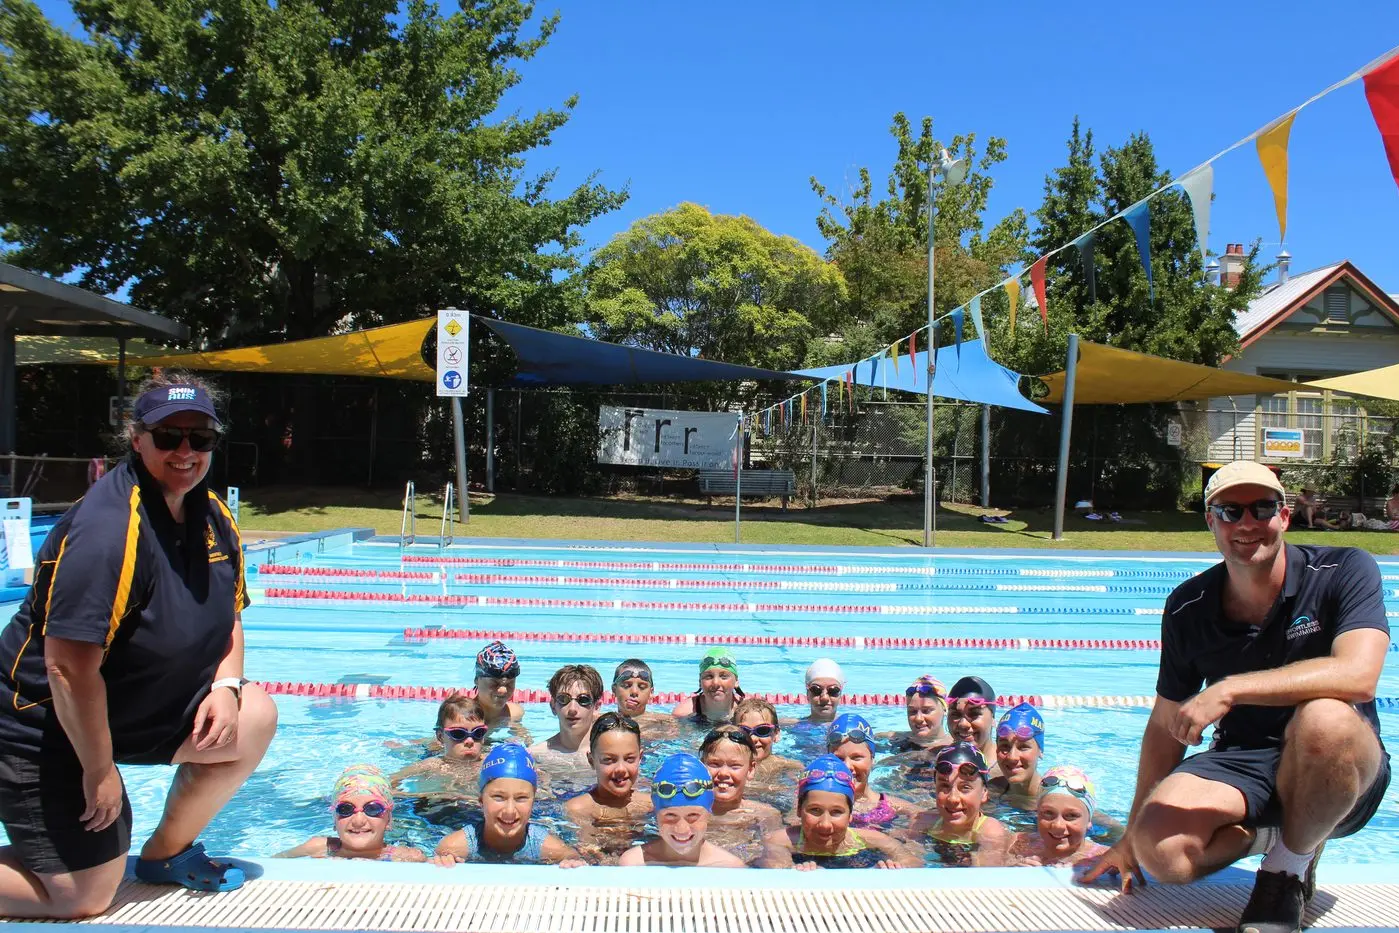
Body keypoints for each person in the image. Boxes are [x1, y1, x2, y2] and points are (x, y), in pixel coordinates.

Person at [0, 375, 279, 919]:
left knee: (254, 715)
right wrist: (100, 770)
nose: (185, 451)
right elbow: (65, 668)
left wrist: (225, 685)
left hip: (120, 709)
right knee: (84, 895)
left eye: (200, 438)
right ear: (137, 438)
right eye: (168, 435)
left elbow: (230, 615)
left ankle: (166, 855)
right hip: (43, 725)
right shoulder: (108, 532)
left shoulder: (213, 516)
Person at [1082, 461, 1390, 933]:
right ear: (1211, 521)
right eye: (1230, 511)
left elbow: (1358, 674)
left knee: (1324, 719)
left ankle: (1285, 869)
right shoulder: (1188, 606)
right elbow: (1166, 726)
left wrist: (1231, 687)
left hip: (1338, 767)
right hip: (1243, 761)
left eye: (1261, 508)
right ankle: (1276, 834)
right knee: (1162, 851)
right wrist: (1129, 834)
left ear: (1284, 517)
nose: (1246, 523)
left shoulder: (1343, 569)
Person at [435, 744, 584, 866]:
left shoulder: (549, 849)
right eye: (499, 797)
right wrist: (443, 864)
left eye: (521, 798)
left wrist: (571, 863)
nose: (509, 810)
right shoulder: (455, 847)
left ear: (533, 803)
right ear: (481, 801)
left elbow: (572, 857)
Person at [759, 755, 918, 869]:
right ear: (800, 810)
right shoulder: (780, 841)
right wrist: (795, 874)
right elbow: (776, 870)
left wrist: (888, 870)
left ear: (850, 815)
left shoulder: (874, 840)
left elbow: (915, 861)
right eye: (815, 810)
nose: (825, 824)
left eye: (836, 812)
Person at [277, 765, 427, 862]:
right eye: (345, 809)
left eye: (373, 809)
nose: (358, 820)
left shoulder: (405, 857)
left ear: (389, 820)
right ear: (334, 820)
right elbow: (273, 863)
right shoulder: (317, 848)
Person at [619, 753, 744, 868]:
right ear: (655, 812)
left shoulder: (730, 867)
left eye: (693, 816)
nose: (682, 829)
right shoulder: (633, 863)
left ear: (709, 811)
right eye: (670, 816)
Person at [564, 713, 651, 862]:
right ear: (591, 761)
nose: (621, 769)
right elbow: (587, 854)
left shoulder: (651, 805)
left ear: (640, 758)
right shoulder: (579, 809)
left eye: (630, 759)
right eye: (609, 760)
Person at [908, 743, 1010, 866]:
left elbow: (985, 880)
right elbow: (909, 864)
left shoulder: (990, 832)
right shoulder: (923, 822)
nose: (953, 799)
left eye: (965, 788)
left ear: (984, 793)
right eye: (944, 786)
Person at [698, 725, 782, 860]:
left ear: (750, 770)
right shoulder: (687, 811)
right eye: (715, 764)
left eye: (734, 766)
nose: (723, 773)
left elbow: (777, 859)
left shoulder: (765, 815)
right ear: (701, 766)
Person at [826, 714, 915, 829]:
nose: (847, 766)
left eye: (856, 757)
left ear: (872, 760)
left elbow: (923, 817)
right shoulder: (813, 803)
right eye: (839, 759)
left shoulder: (890, 805)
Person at [1008, 766, 1106, 868]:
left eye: (1071, 815)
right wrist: (1014, 871)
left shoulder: (1103, 858)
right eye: (1048, 813)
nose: (1058, 825)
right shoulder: (1020, 844)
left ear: (1089, 821)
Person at [391, 694, 488, 794]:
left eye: (478, 732)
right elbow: (389, 783)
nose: (470, 740)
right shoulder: (431, 766)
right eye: (458, 733)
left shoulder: (491, 762)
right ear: (441, 737)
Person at [528, 664, 603, 776]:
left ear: (596, 707)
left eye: (583, 700)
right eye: (563, 699)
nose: (572, 709)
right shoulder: (536, 755)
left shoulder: (611, 754)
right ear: (553, 706)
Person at [988, 702, 1045, 808]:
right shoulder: (992, 790)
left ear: (1040, 751)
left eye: (1023, 747)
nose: (1012, 757)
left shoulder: (1053, 800)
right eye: (1005, 746)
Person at [732, 697, 802, 781]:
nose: (752, 738)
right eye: (744, 731)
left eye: (762, 730)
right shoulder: (723, 765)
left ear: (776, 734)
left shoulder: (788, 766)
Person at [672, 647, 745, 724]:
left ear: (736, 681)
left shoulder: (748, 710)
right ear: (700, 682)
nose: (716, 683)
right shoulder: (683, 713)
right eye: (709, 676)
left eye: (723, 676)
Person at [882, 676, 951, 753]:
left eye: (926, 711)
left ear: (945, 709)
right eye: (913, 711)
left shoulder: (953, 745)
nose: (918, 719)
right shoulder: (896, 737)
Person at [472, 641, 526, 734]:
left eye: (510, 683)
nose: (503, 690)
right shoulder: (460, 716)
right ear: (477, 680)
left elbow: (528, 743)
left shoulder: (515, 713)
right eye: (494, 683)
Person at [945, 676, 998, 768]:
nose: (963, 724)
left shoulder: (1007, 769)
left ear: (993, 718)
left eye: (974, 714)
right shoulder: (938, 758)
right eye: (955, 714)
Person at [797, 658, 844, 727]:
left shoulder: (855, 729)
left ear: (840, 695)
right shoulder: (791, 726)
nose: (824, 698)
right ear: (807, 694)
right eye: (816, 690)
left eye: (833, 690)